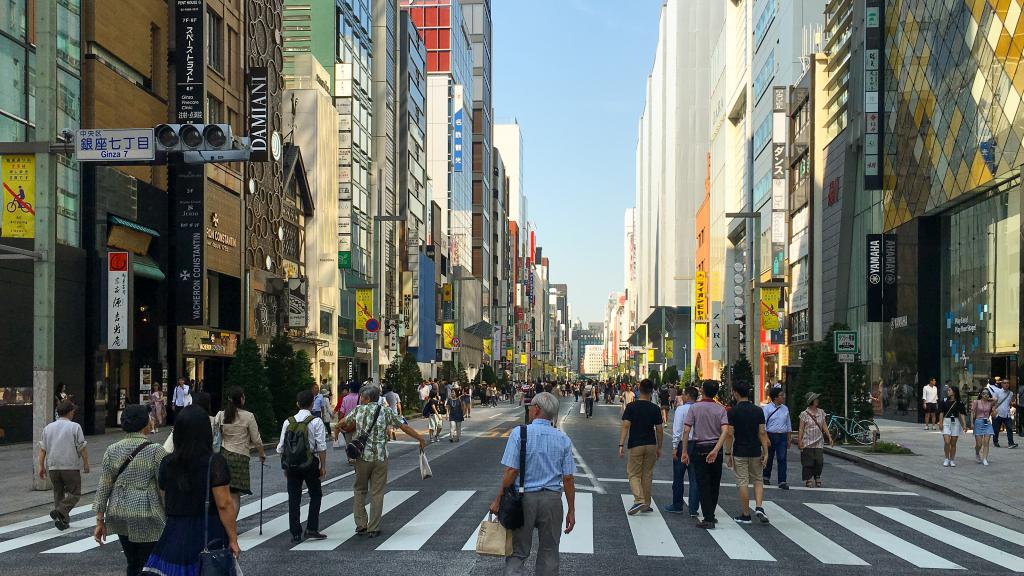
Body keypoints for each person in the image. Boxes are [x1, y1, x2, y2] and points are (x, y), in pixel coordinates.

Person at [141, 406, 239, 575]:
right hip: (209, 529)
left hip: (175, 530)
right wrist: (233, 538)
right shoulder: (214, 462)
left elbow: (164, 498)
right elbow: (224, 504)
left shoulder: (167, 462)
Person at [490, 392, 575, 576]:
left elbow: (511, 471)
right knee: (549, 552)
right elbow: (568, 478)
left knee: (517, 552)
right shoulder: (563, 439)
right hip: (552, 500)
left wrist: (498, 499)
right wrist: (571, 510)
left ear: (536, 409)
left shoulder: (519, 434)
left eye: (530, 407)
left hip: (524, 499)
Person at [341, 384, 426, 538]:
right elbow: (403, 426)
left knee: (360, 490)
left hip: (362, 457)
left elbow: (343, 423)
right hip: (380, 457)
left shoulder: (359, 410)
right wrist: (419, 438)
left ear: (366, 398)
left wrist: (337, 430)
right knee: (377, 492)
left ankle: (361, 524)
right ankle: (373, 527)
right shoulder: (385, 411)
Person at [93, 404, 167, 576]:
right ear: (145, 423)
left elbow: (104, 485)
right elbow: (164, 487)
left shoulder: (112, 450)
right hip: (147, 513)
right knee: (148, 563)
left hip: (119, 512)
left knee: (132, 561)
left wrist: (99, 521)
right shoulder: (156, 451)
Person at [277, 390, 328, 543]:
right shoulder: (316, 421)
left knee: (294, 498)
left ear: (297, 404)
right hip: (309, 462)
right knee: (316, 495)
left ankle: (295, 533)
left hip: (291, 464)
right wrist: (322, 466)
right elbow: (321, 447)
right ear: (312, 403)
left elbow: (281, 447)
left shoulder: (288, 422)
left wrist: (285, 466)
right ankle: (312, 528)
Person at [681, 380, 728, 530]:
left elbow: (687, 430)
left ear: (702, 390)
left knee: (703, 484)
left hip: (699, 448)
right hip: (716, 449)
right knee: (715, 484)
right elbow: (725, 431)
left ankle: (708, 518)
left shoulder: (695, 408)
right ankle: (711, 514)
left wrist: (684, 451)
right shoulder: (721, 409)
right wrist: (716, 450)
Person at [38, 400, 90, 530]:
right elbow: (81, 447)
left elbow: (42, 450)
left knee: (58, 493)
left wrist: (41, 466)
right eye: (73, 411)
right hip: (70, 466)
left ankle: (63, 521)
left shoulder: (48, 428)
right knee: (75, 493)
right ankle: (60, 510)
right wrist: (86, 463)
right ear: (70, 412)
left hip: (53, 466)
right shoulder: (75, 426)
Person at [215, 386, 266, 514]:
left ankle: (223, 525)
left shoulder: (221, 415)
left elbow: (215, 435)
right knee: (235, 495)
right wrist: (261, 454)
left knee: (223, 492)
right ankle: (232, 525)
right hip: (241, 457)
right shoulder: (249, 416)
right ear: (241, 399)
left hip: (224, 455)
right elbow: (256, 439)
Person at [726, 381, 770, 524]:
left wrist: (728, 453)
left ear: (736, 393)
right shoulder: (758, 410)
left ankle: (746, 514)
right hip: (756, 450)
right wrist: (766, 452)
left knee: (743, 482)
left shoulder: (733, 411)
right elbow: (762, 433)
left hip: (740, 450)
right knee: (758, 479)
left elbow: (730, 433)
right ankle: (758, 506)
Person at [619, 379, 664, 515]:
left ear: (639, 390)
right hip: (651, 444)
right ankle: (646, 504)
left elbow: (626, 426)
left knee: (633, 473)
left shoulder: (631, 407)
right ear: (651, 391)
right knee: (647, 474)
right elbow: (660, 429)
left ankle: (639, 499)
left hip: (636, 444)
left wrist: (621, 444)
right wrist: (659, 447)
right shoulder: (655, 408)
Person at [664, 386, 699, 517]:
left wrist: (674, 447)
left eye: (684, 394)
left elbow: (678, 429)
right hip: (696, 444)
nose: (682, 396)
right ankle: (693, 508)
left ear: (689, 396)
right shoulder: (699, 408)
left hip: (683, 444)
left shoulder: (681, 409)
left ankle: (677, 505)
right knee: (694, 478)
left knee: (678, 477)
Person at [798, 392, 833, 487]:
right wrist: (800, 440)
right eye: (816, 399)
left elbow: (824, 425)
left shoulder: (821, 412)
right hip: (807, 441)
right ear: (811, 401)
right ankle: (808, 479)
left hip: (819, 441)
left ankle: (817, 476)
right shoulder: (804, 414)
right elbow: (801, 428)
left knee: (819, 460)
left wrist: (829, 436)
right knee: (808, 461)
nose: (817, 400)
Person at [762, 386, 792, 489]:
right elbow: (763, 424)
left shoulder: (785, 408)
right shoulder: (767, 409)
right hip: (770, 435)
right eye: (781, 395)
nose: (783, 397)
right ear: (775, 397)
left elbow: (788, 424)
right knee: (769, 457)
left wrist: (789, 438)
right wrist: (766, 438)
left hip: (782, 436)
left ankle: (782, 481)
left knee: (782, 458)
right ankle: (766, 476)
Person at [940, 384, 968, 467]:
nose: (947, 391)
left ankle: (952, 459)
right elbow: (941, 412)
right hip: (946, 421)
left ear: (954, 392)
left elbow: (962, 414)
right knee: (947, 441)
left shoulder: (959, 402)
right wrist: (940, 423)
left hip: (955, 422)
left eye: (949, 390)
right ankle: (946, 458)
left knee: (953, 443)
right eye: (947, 390)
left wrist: (964, 425)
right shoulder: (944, 401)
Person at [989, 378, 1017, 448]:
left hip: (1007, 414)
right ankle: (995, 442)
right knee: (996, 429)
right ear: (1001, 384)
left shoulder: (1011, 393)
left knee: (1010, 429)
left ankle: (1011, 443)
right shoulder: (997, 392)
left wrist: (1013, 404)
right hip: (997, 414)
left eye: (1008, 383)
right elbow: (993, 403)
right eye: (1005, 383)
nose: (1006, 384)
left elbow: (1008, 403)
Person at [333, 380, 361, 445]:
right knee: (357, 444)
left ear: (350, 389)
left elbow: (342, 413)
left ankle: (350, 454)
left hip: (347, 424)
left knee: (348, 443)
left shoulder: (345, 399)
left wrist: (340, 422)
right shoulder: (361, 398)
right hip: (358, 424)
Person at [972, 387, 995, 465]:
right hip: (978, 422)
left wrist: (990, 398)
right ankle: (977, 452)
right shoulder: (976, 402)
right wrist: (972, 423)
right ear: (981, 394)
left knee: (986, 442)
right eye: (984, 393)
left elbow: (996, 399)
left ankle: (985, 458)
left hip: (987, 422)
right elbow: (973, 412)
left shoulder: (990, 403)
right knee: (979, 444)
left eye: (987, 393)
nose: (986, 395)